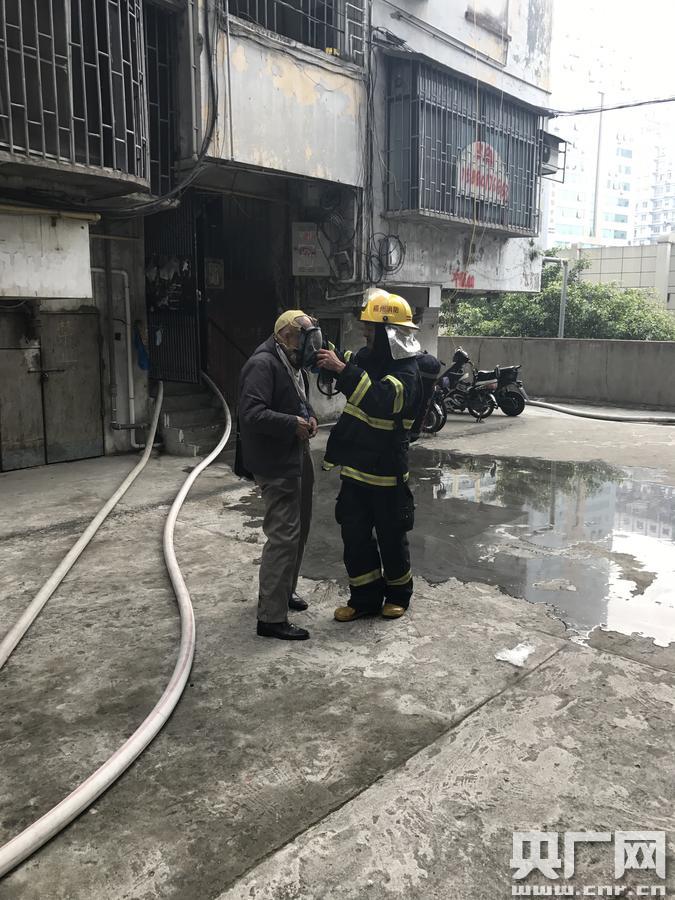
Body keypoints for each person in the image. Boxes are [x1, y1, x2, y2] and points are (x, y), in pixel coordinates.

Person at [316, 290, 422, 622]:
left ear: (388, 331)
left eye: (370, 328)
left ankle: (398, 595)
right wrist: (321, 346)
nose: (364, 332)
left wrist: (343, 370)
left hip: (387, 474)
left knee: (391, 539)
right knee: (355, 538)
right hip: (356, 471)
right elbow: (351, 362)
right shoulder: (368, 357)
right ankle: (364, 599)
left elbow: (380, 399)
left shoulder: (407, 372)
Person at [237, 310, 322, 641]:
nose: (308, 349)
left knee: (300, 528)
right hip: (275, 461)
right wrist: (292, 424)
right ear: (286, 336)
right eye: (303, 340)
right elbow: (251, 413)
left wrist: (310, 416)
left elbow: (299, 401)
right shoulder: (262, 364)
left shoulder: (292, 364)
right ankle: (271, 618)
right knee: (284, 535)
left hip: (296, 452)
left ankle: (283, 591)